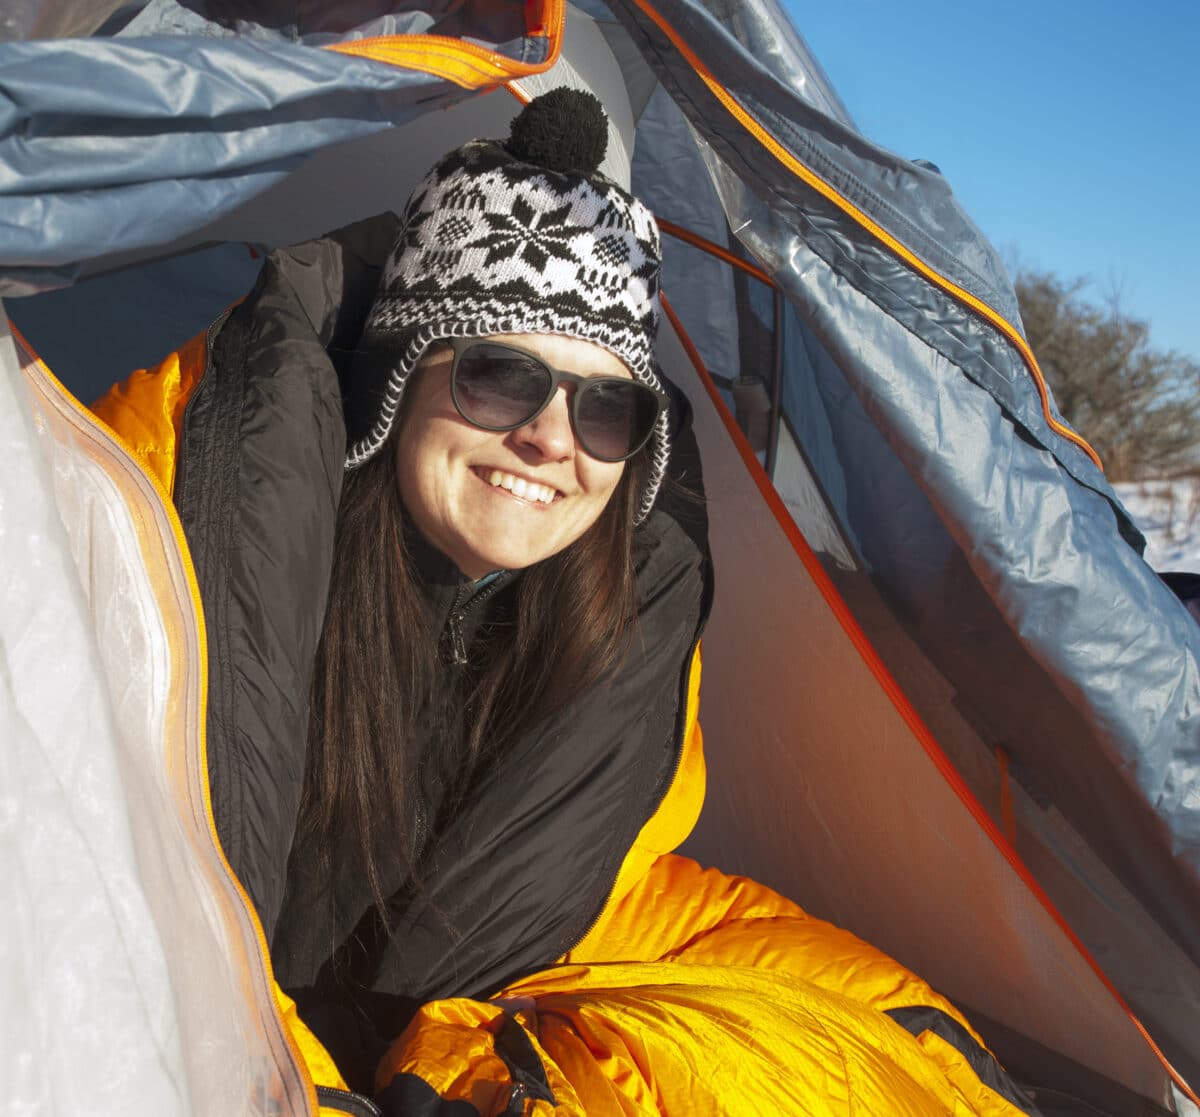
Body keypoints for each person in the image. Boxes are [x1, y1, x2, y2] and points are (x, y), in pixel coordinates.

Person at [94, 88, 1038, 1116]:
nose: (553, 440)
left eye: (606, 407)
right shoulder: (178, 548)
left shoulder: (592, 620)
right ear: (398, 377)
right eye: (502, 377)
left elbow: (623, 909)